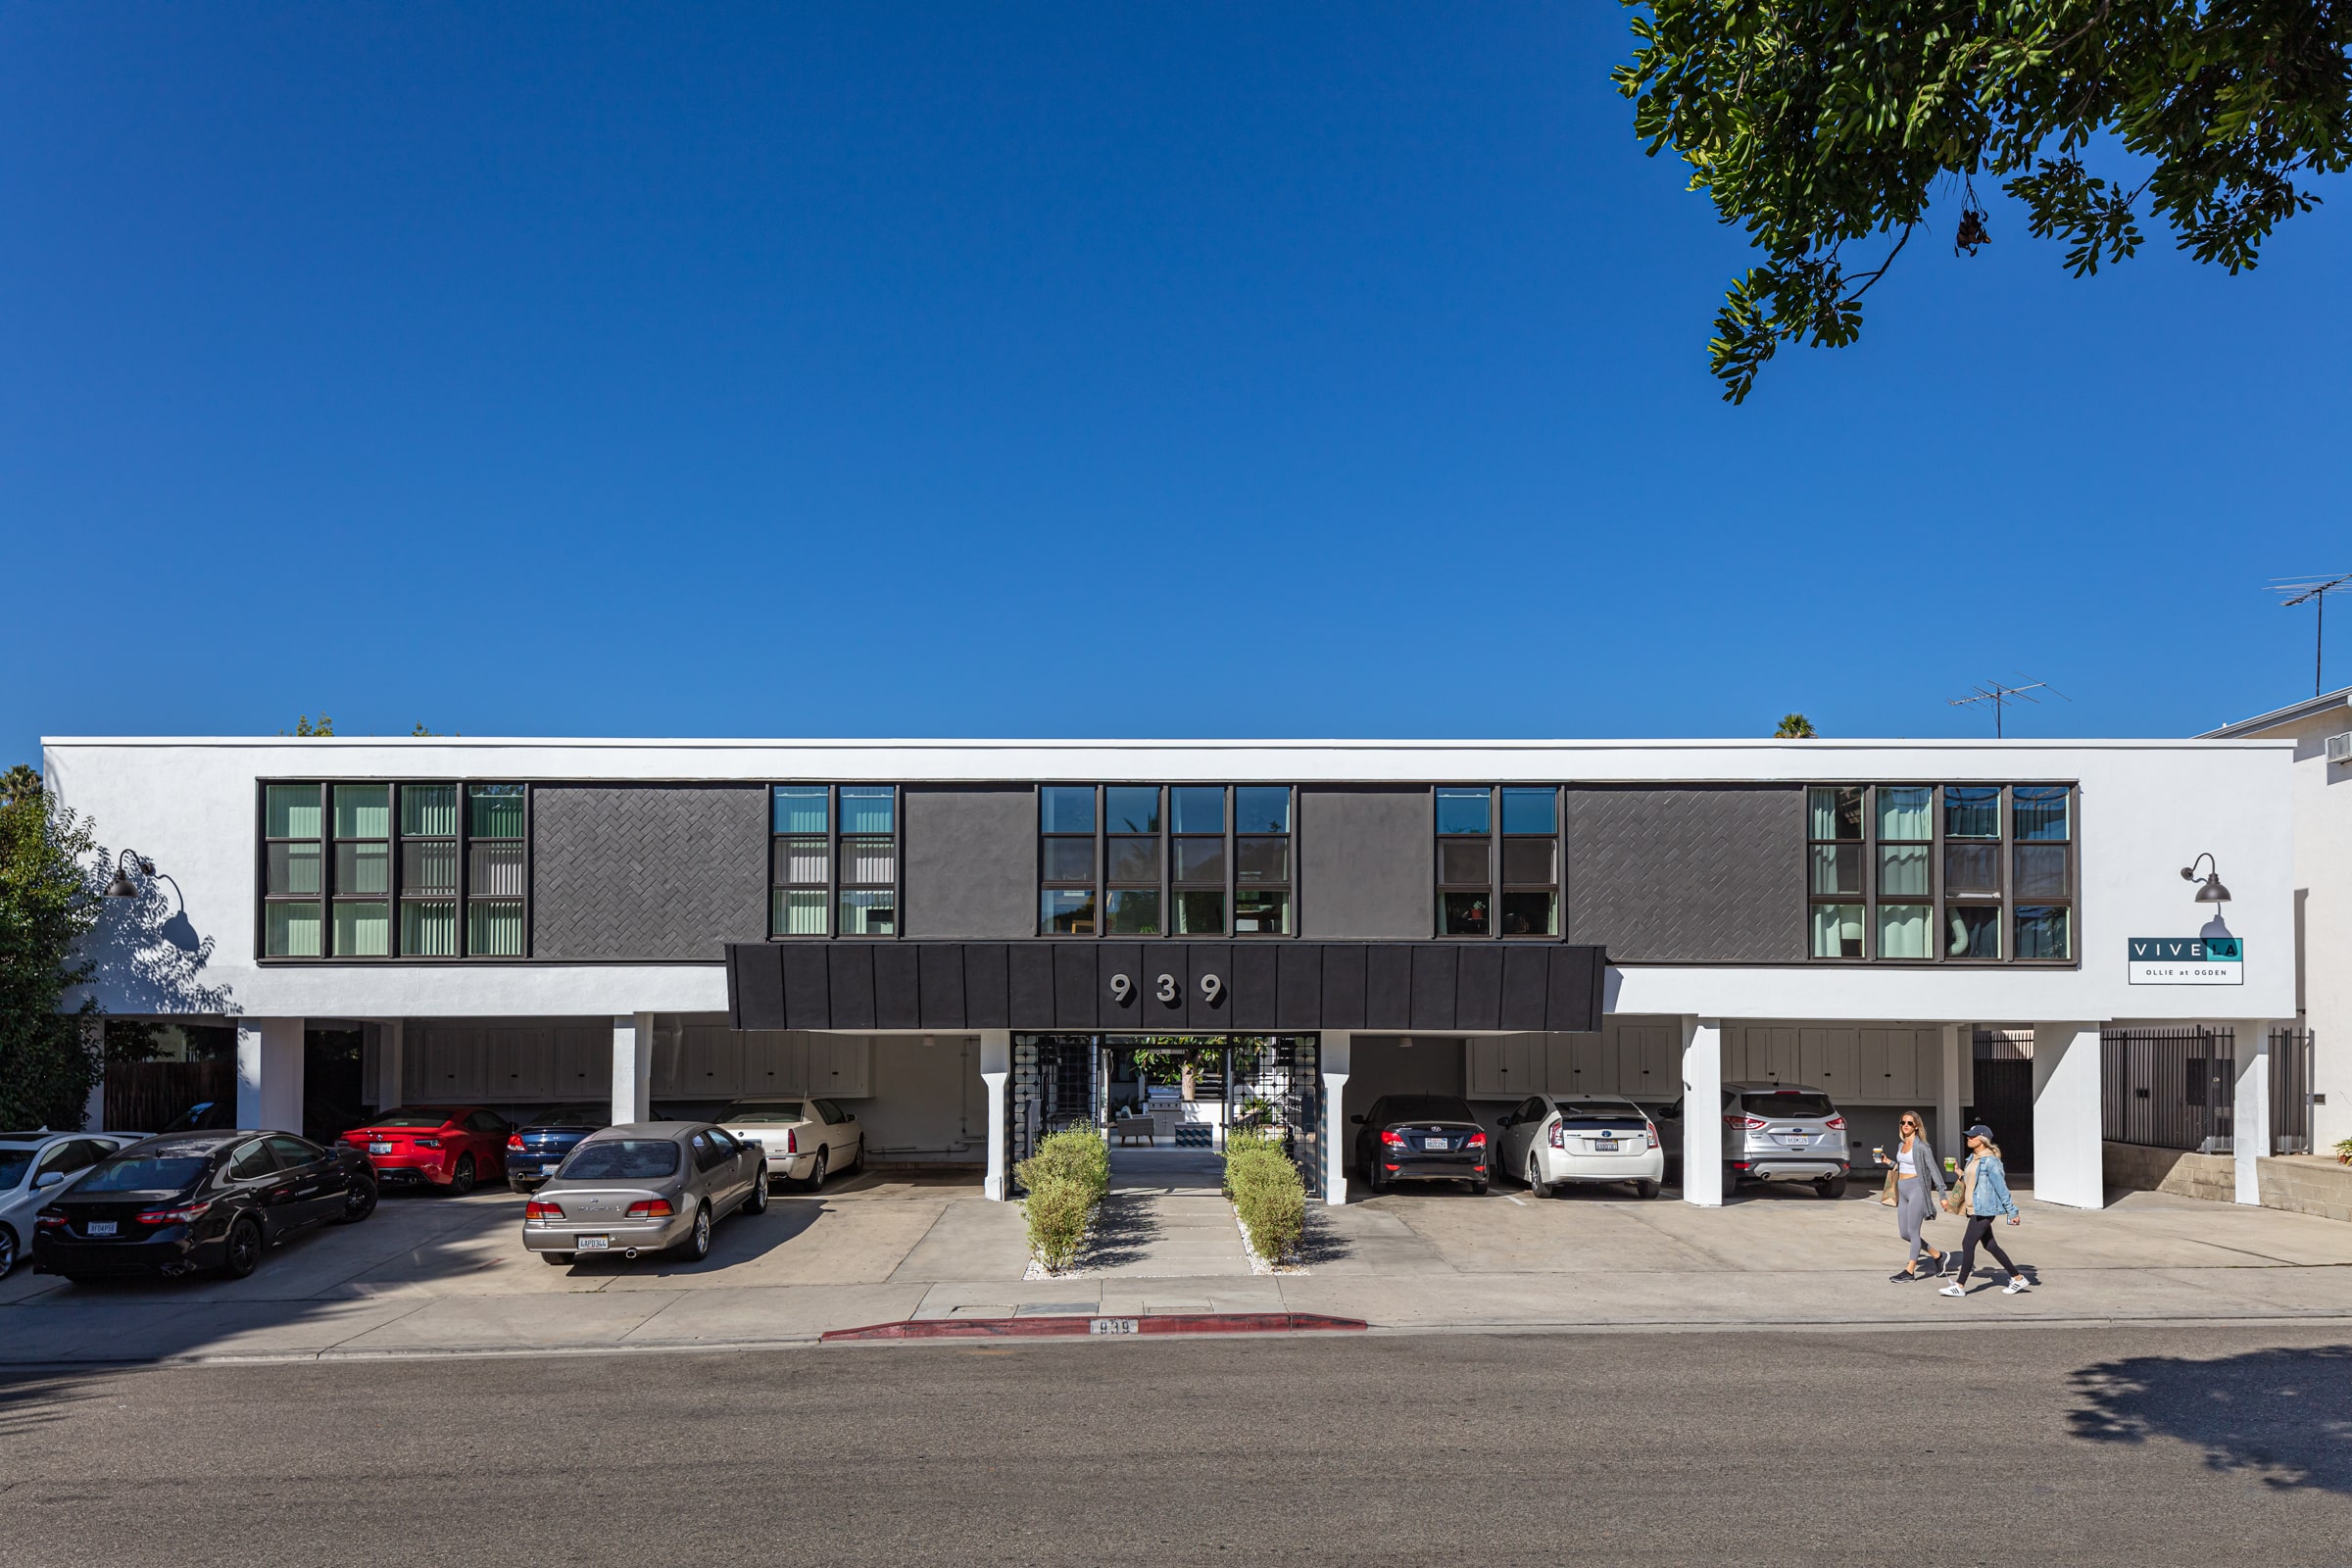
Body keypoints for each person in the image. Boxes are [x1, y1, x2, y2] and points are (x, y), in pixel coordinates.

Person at [1939, 1124, 2030, 1297]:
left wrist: (2013, 1212)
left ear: (1982, 1139)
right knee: (1991, 1245)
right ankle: (2018, 1278)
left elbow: (2001, 1188)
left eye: (1972, 1136)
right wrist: (1958, 1170)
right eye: (1968, 1135)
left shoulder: (1990, 1161)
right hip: (1974, 1208)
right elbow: (1971, 1179)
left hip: (1985, 1209)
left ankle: (1959, 1286)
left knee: (1967, 1244)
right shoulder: (1972, 1158)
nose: (1968, 1138)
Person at [1877, 1110, 1947, 1282]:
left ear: (1916, 1126)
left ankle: (1909, 1271)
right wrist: (1888, 1162)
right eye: (1903, 1123)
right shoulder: (1901, 1145)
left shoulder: (1922, 1147)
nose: (1905, 1125)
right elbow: (1902, 1167)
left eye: (1909, 1123)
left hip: (1917, 1189)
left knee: (1914, 1231)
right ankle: (1938, 1256)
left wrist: (1942, 1193)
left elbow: (1934, 1170)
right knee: (1904, 1233)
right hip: (1903, 1189)